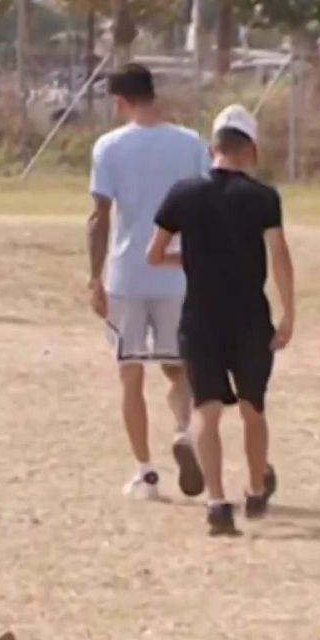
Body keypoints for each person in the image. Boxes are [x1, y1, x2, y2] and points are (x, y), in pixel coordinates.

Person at [147, 104, 295, 537]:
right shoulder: (264, 197)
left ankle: (216, 503)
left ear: (213, 148)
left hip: (201, 318)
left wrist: (190, 259)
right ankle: (253, 489)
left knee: (206, 411)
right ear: (250, 150)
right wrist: (289, 313)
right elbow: (279, 254)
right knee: (253, 408)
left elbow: (153, 255)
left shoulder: (183, 193)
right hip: (249, 317)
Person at [87, 63, 213, 501]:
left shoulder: (109, 147)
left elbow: (99, 216)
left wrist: (93, 276)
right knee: (180, 368)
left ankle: (145, 472)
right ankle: (184, 431)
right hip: (178, 274)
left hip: (128, 274)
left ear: (119, 101)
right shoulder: (191, 144)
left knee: (131, 374)